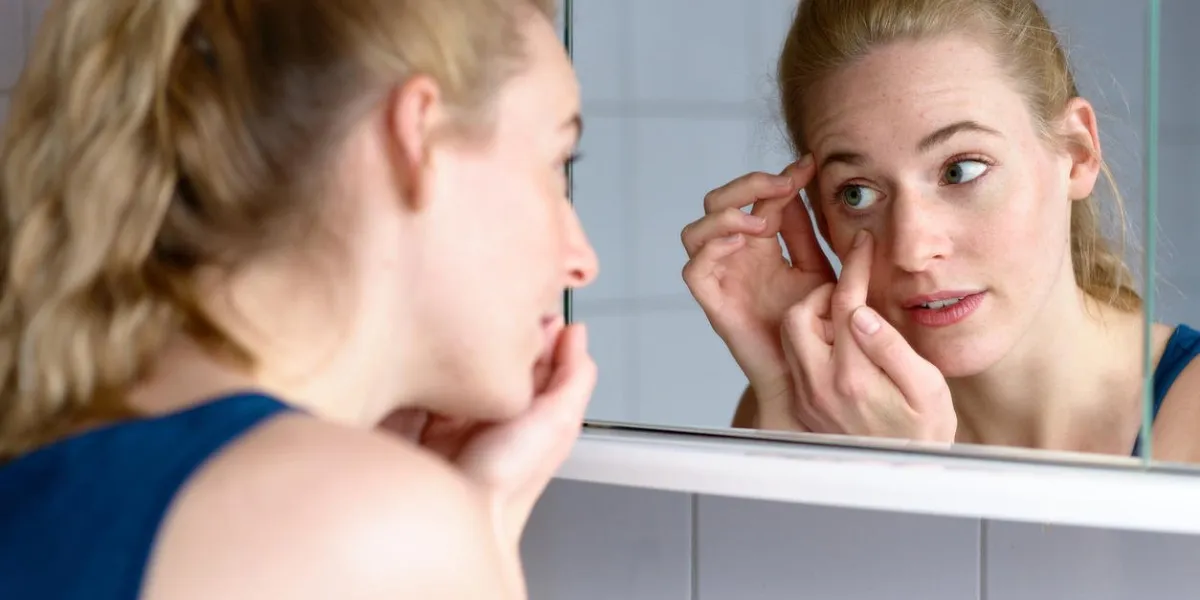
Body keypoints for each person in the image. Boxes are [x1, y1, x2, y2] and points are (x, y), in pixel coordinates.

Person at [0, 0, 598, 597]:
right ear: (419, 136)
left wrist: (480, 515)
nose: (581, 261)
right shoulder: (365, 530)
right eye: (557, 166)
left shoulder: (58, 442)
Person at [682, 0, 1200, 461]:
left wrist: (906, 483)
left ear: (1077, 154)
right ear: (818, 216)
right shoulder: (819, 405)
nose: (911, 249)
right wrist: (782, 393)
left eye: (961, 170)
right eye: (856, 193)